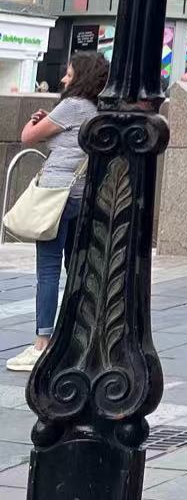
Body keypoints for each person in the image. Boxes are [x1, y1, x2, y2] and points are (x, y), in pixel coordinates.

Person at [6, 52, 110, 373]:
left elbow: (27, 137)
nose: (64, 78)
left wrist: (34, 121)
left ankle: (42, 344)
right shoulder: (95, 110)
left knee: (48, 272)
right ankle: (78, 338)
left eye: (69, 73)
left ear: (80, 77)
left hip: (55, 195)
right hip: (80, 196)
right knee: (76, 267)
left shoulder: (72, 105)